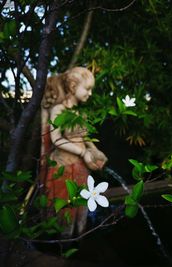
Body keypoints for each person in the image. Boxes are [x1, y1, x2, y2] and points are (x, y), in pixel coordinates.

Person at [40, 67, 107, 236]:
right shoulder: (59, 110)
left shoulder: (78, 113)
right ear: (72, 86)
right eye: (87, 88)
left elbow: (85, 137)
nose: (90, 93)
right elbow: (56, 139)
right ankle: (62, 249)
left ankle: (79, 240)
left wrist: (95, 150)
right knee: (65, 209)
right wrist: (82, 152)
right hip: (63, 168)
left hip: (80, 168)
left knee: (81, 208)